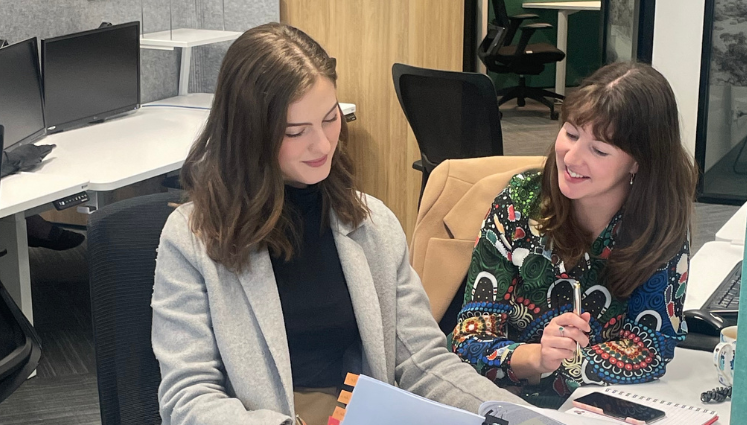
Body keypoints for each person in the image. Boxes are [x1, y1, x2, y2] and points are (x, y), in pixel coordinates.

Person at [151, 23, 522, 425]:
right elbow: (187, 398)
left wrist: (514, 414)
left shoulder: (372, 223)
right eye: (295, 132)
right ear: (249, 134)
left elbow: (421, 361)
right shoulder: (192, 239)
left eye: (330, 119)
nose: (323, 145)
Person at [451, 62, 698, 408]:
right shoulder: (519, 206)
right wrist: (537, 357)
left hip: (592, 409)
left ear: (639, 162)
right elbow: (468, 340)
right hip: (504, 403)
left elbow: (650, 347)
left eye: (598, 150)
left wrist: (565, 364)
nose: (572, 156)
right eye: (570, 133)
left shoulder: (658, 222)